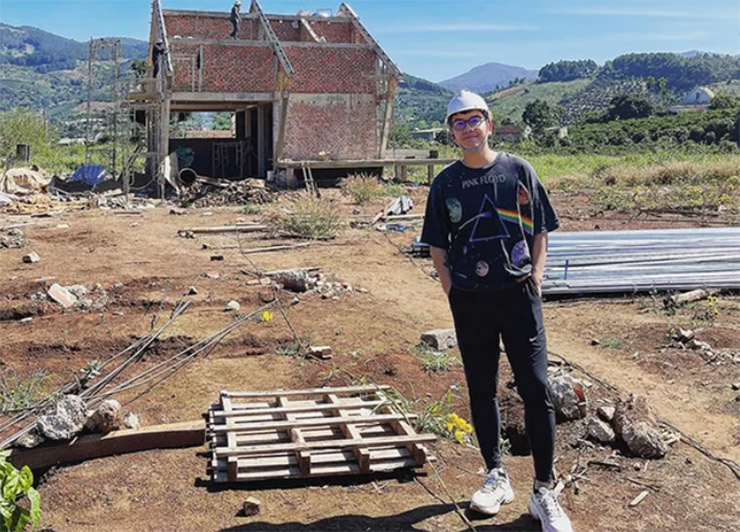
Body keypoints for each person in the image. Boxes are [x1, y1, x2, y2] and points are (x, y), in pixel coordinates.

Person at [420, 90, 574, 532]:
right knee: (481, 387)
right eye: (459, 122)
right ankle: (495, 475)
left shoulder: (518, 170)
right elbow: (437, 244)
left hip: (519, 295)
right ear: (452, 133)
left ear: (489, 124)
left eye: (475, 120)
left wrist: (537, 274)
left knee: (536, 386)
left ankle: (543, 490)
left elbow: (540, 228)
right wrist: (451, 288)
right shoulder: (446, 184)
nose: (468, 128)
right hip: (470, 300)